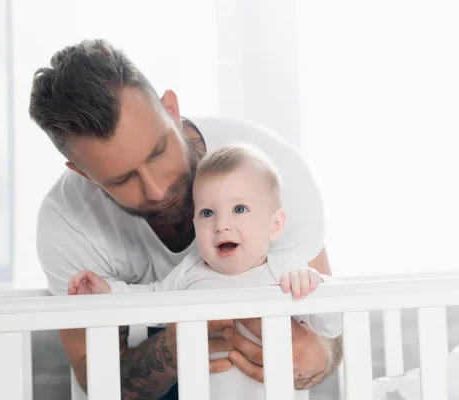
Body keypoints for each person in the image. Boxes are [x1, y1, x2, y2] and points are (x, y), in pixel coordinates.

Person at [30, 38, 343, 399]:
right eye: (122, 179)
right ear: (82, 173)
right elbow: (100, 371)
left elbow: (331, 327)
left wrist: (315, 357)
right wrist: (170, 348)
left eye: (159, 151)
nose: (158, 189)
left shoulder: (269, 172)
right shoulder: (67, 224)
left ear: (172, 110)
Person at [69, 144, 342, 399]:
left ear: (275, 225)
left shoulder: (286, 271)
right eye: (208, 213)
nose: (222, 224)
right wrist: (107, 291)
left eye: (239, 209)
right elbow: (149, 301)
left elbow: (331, 327)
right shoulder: (190, 272)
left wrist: (314, 285)